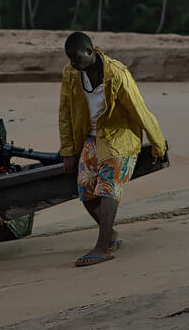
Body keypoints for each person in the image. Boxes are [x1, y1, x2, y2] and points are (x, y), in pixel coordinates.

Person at [59, 32, 166, 267]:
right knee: (85, 190)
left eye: (76, 58)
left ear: (90, 51)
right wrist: (68, 151)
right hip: (92, 137)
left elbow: (139, 109)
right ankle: (111, 235)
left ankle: (102, 247)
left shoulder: (116, 73)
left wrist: (158, 145)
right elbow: (65, 113)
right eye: (69, 59)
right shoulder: (71, 74)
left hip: (120, 136)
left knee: (108, 187)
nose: (73, 64)